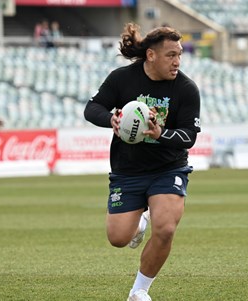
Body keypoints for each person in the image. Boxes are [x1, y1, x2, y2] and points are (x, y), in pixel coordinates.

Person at [83, 23, 201, 301]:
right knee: (118, 238)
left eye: (179, 55)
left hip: (168, 168)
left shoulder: (186, 88)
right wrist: (110, 119)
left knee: (167, 227)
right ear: (150, 55)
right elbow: (92, 108)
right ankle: (139, 224)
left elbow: (189, 136)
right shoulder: (122, 79)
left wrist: (161, 134)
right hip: (128, 170)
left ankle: (139, 291)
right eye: (171, 55)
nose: (177, 61)